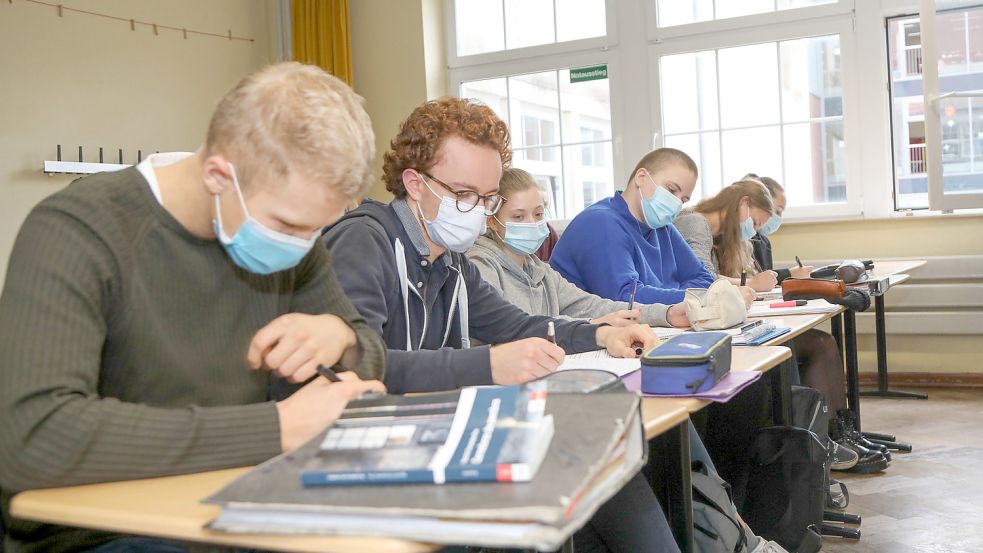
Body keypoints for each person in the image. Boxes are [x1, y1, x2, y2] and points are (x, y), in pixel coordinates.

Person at [0, 62, 388, 552]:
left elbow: (367, 357)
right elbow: (34, 438)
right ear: (218, 174)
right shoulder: (79, 229)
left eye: (317, 229)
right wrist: (276, 428)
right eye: (289, 227)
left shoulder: (294, 237)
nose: (305, 245)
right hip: (102, 533)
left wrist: (342, 338)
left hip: (234, 507)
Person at [323, 98, 675, 553]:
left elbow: (518, 325)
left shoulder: (449, 262)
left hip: (433, 437)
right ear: (414, 183)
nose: (475, 210)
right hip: (376, 451)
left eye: (486, 198)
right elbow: (359, 366)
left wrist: (601, 333)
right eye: (463, 194)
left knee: (601, 449)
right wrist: (485, 364)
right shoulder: (364, 241)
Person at [744, 174, 890, 473]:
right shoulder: (733, 238)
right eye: (774, 211)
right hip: (753, 329)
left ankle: (841, 434)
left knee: (824, 343)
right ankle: (825, 441)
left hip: (766, 320)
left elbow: (765, 279)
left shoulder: (760, 239)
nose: (775, 219)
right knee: (818, 344)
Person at [467, 167, 690, 328]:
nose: (532, 224)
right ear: (492, 220)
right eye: (518, 216)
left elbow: (592, 306)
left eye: (538, 214)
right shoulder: (480, 266)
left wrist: (667, 314)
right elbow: (518, 327)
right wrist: (594, 325)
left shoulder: (540, 270)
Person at [549, 148, 715, 305]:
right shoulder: (600, 223)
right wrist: (690, 298)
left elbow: (704, 279)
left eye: (683, 200)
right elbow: (625, 297)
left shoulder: (662, 227)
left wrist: (679, 297)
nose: (676, 203)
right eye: (671, 190)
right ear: (641, 177)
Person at [672, 178, 778, 306]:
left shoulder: (720, 236)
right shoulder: (694, 223)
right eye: (754, 223)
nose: (753, 232)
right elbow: (703, 279)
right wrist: (752, 283)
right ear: (743, 203)